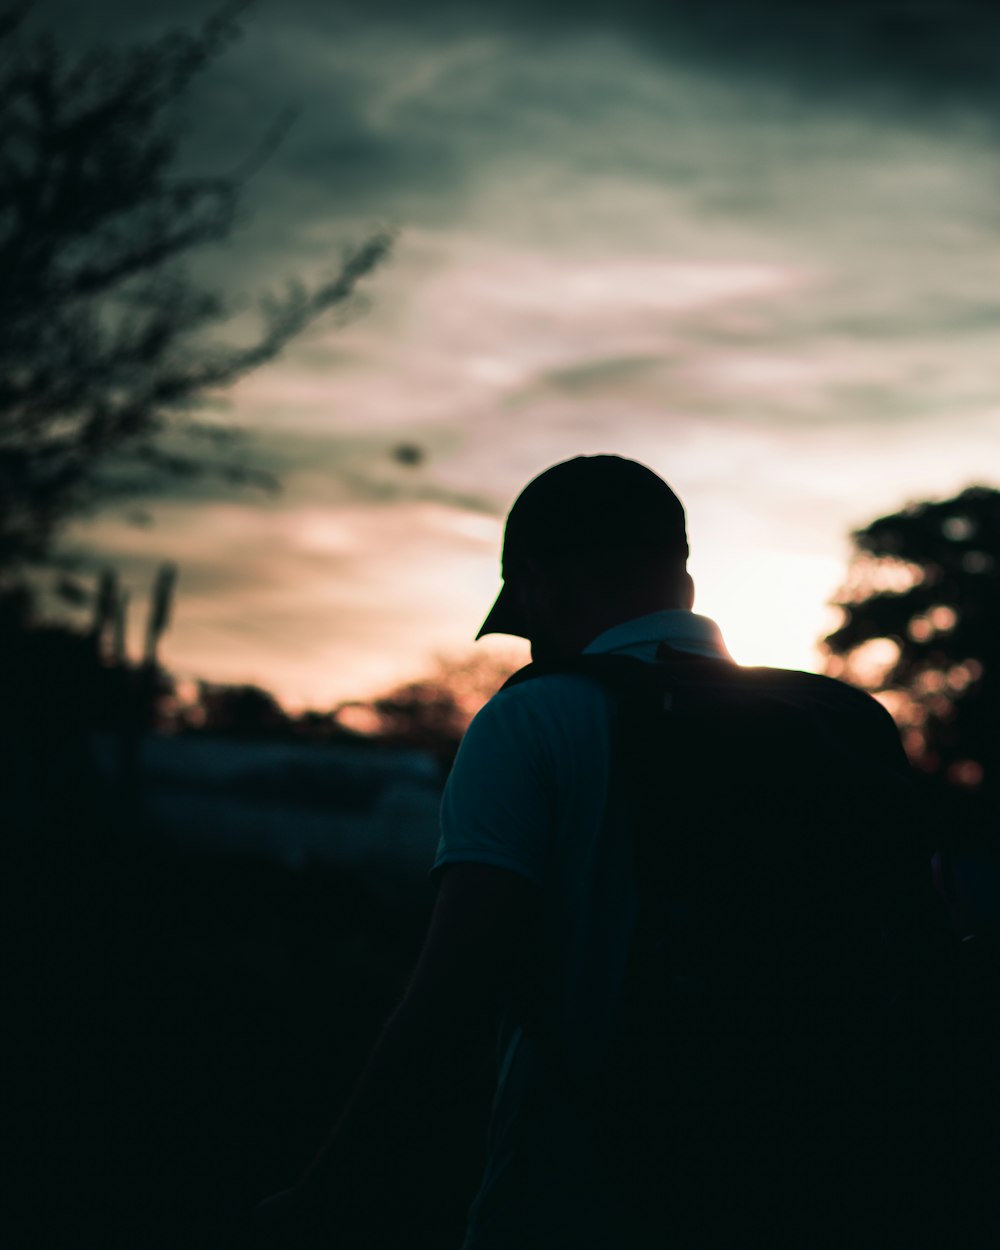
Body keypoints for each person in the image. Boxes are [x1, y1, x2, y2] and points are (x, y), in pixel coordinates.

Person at [236, 454, 944, 1250]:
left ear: (540, 582)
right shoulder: (847, 723)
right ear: (685, 581)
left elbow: (455, 990)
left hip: (580, 1199)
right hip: (815, 1187)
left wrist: (323, 1196)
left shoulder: (534, 717)